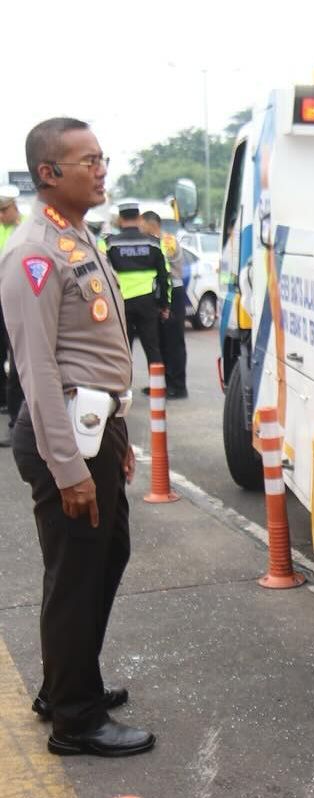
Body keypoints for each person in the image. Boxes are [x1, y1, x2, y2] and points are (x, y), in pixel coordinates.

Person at [1, 116, 154, 756]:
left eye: (101, 157)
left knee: (102, 559)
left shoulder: (78, 238)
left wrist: (113, 444)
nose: (100, 169)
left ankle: (67, 681)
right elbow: (37, 371)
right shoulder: (34, 252)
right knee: (76, 576)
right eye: (85, 160)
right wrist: (69, 470)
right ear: (47, 173)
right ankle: (75, 720)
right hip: (64, 437)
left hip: (97, 430)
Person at [105, 200, 169, 368]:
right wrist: (164, 305)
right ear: (139, 217)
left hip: (121, 303)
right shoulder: (153, 243)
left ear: (120, 219)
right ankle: (157, 390)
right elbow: (163, 276)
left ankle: (124, 390)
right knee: (153, 349)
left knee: (123, 350)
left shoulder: (110, 244)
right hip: (147, 302)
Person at [140, 211, 187, 398]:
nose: (140, 229)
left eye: (142, 225)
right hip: (159, 294)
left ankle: (178, 385)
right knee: (159, 341)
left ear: (151, 224)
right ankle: (161, 384)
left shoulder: (167, 241)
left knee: (174, 341)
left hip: (173, 293)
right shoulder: (151, 241)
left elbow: (160, 266)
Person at [0, 184, 24, 445]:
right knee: (15, 364)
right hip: (4, 302)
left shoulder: (27, 227)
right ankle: (16, 424)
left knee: (23, 365)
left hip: (26, 302)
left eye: (2, 211)